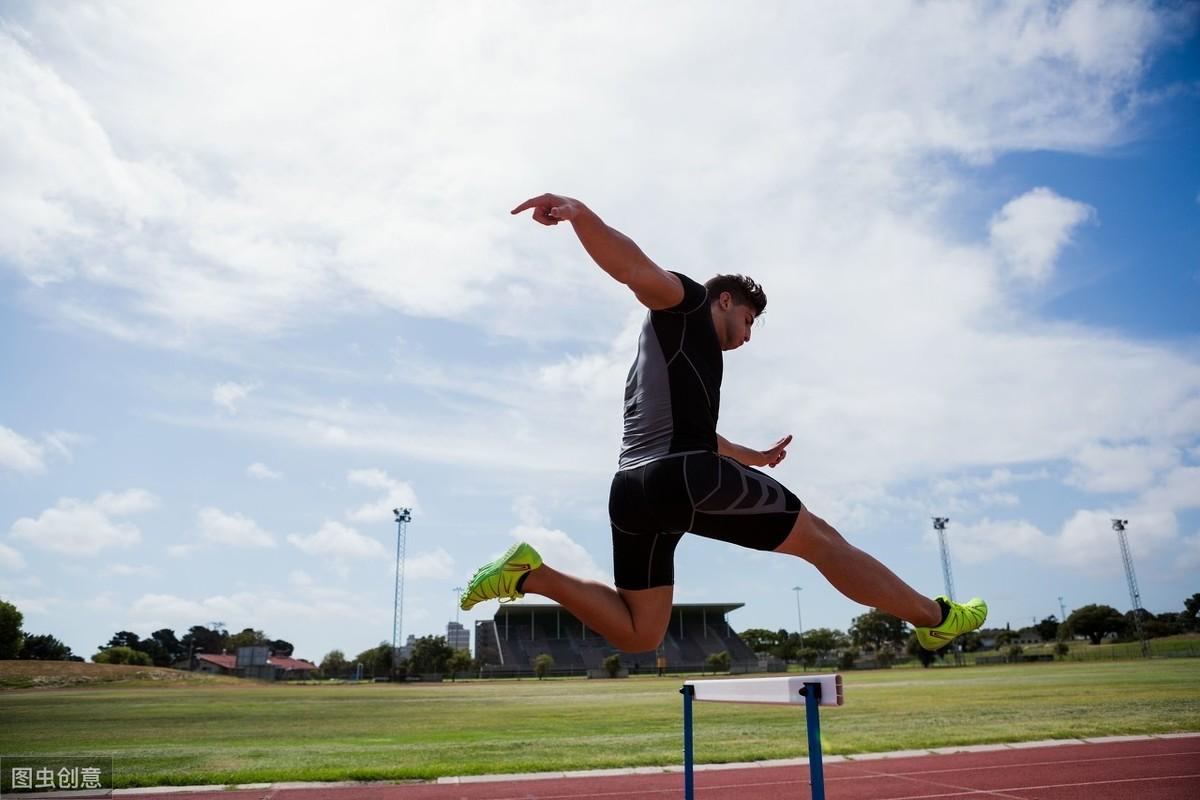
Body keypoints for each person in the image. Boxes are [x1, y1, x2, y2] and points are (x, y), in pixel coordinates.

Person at [460, 193, 986, 654]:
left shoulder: (660, 359)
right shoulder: (687, 304)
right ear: (725, 300)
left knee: (641, 633)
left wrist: (751, 457)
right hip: (685, 474)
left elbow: (697, 433)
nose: (748, 335)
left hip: (632, 489)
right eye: (749, 320)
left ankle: (531, 574)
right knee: (821, 540)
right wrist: (580, 214)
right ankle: (935, 620)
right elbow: (633, 269)